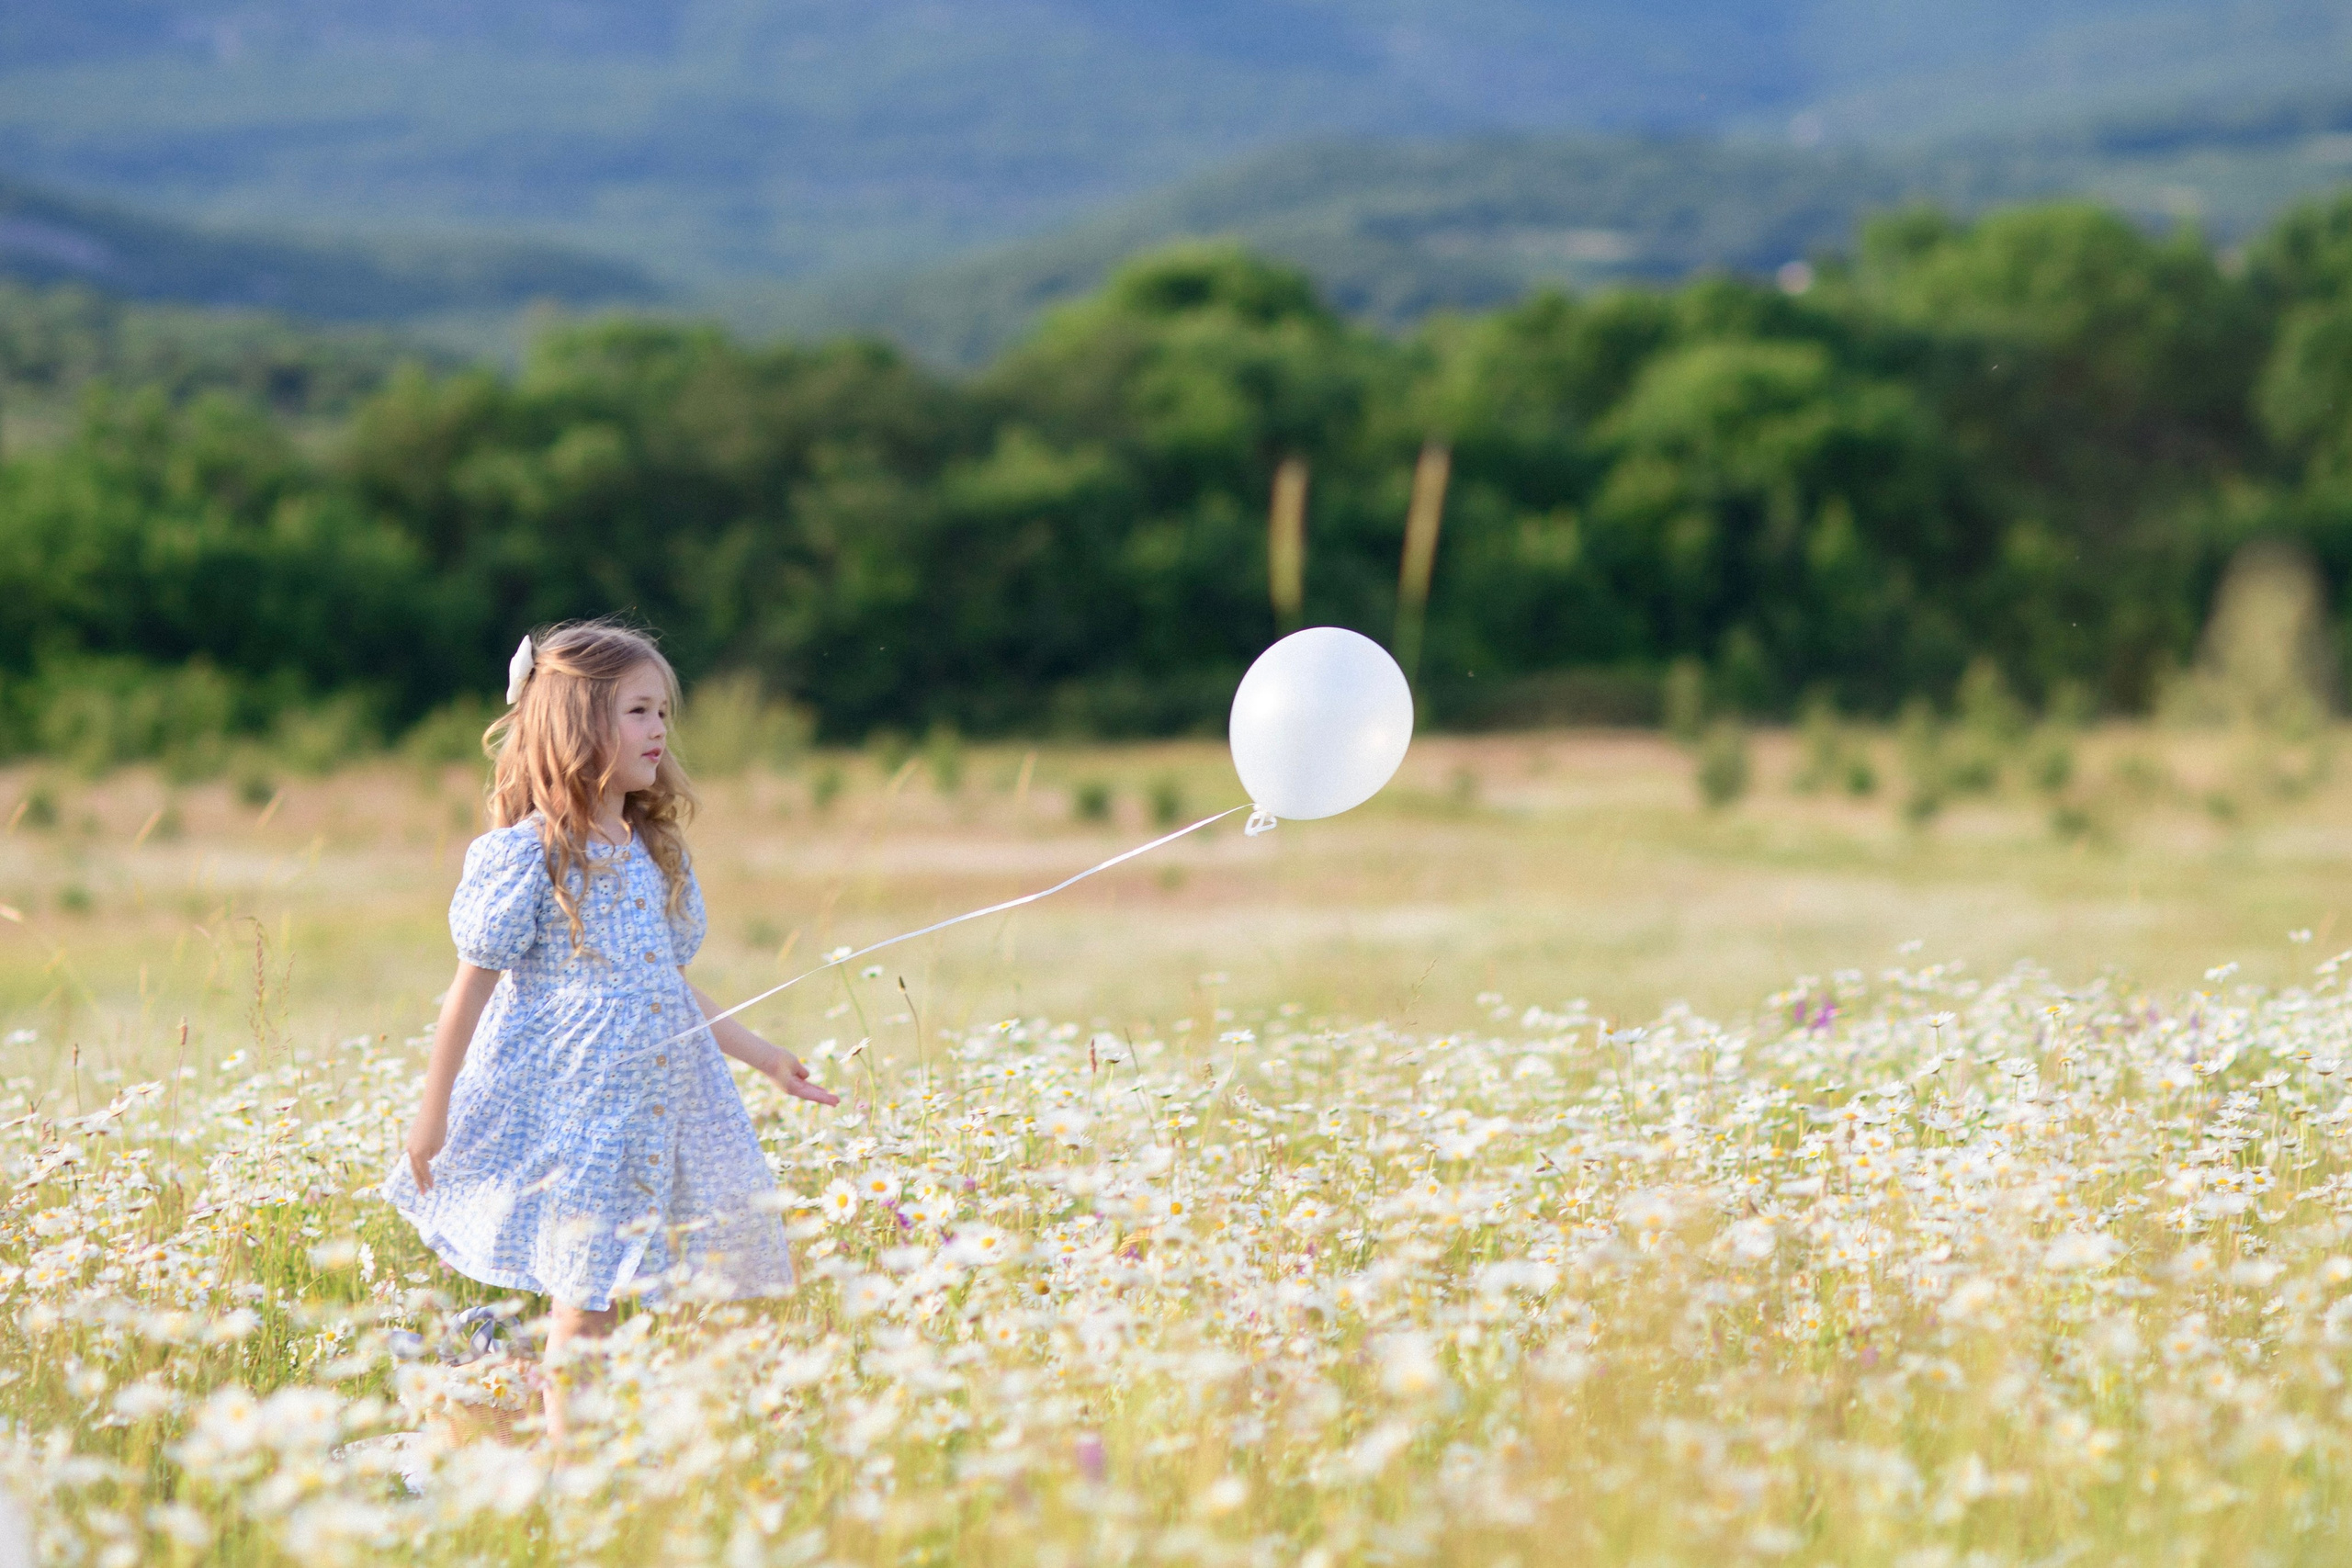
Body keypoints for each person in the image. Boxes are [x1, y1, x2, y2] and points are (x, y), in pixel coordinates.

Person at [385, 620, 838, 1442]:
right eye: (638, 711)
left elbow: (667, 988)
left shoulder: (651, 850)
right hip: (572, 1114)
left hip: (650, 1112)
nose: (659, 729)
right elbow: (467, 995)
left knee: (616, 1301)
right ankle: (570, 1473)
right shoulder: (530, 856)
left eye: (663, 711)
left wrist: (767, 1057)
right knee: (586, 1305)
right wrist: (432, 1114)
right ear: (576, 726)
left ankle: (531, 1413)